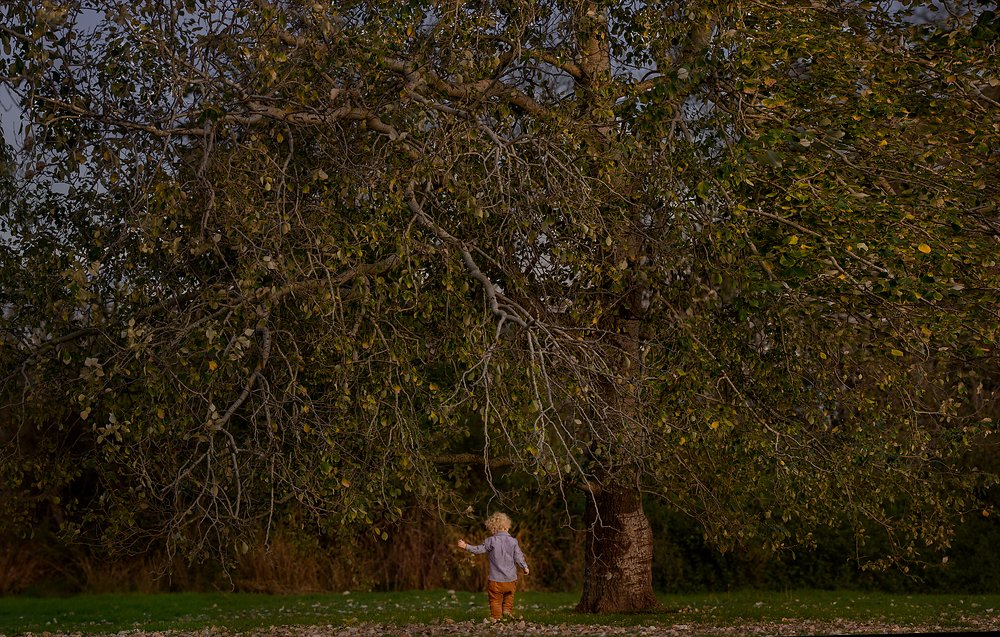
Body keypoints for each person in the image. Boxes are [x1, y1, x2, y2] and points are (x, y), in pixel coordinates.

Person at [457, 512, 529, 622]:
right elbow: (519, 557)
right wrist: (525, 567)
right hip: (511, 579)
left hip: (496, 580)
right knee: (509, 595)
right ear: (506, 527)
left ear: (493, 529)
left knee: (495, 599)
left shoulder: (490, 541)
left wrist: (466, 546)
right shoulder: (513, 541)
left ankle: (496, 617)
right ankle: (507, 610)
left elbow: (478, 550)